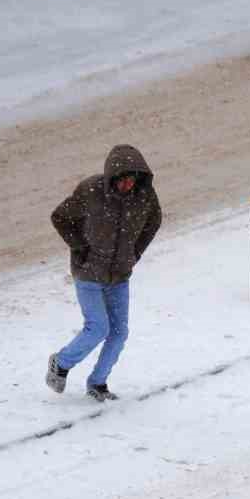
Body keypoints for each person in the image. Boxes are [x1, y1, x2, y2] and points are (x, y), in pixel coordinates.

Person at [46, 144, 162, 402]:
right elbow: (60, 217)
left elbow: (154, 222)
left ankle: (97, 383)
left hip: (119, 276)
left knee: (119, 333)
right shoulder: (91, 190)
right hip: (88, 272)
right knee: (98, 327)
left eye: (132, 180)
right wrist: (79, 247)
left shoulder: (144, 195)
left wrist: (135, 253)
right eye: (122, 180)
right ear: (112, 176)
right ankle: (61, 363)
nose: (127, 185)